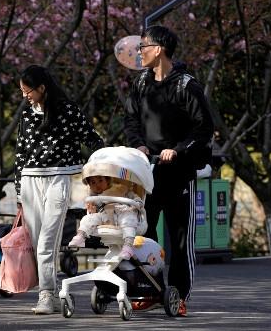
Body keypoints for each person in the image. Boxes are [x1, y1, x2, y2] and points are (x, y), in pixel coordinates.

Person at [123, 25, 214, 316]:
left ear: (159, 48)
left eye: (143, 47)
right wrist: (138, 145)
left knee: (179, 240)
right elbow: (131, 120)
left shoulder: (187, 85)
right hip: (147, 174)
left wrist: (178, 149)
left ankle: (178, 294)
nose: (140, 52)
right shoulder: (140, 84)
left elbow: (204, 129)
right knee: (143, 235)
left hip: (180, 174)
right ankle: (150, 289)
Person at [14, 65, 104, 315]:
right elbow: (20, 155)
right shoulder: (27, 115)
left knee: (46, 241)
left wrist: (100, 167)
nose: (25, 96)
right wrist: (19, 193)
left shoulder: (68, 111)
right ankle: (51, 295)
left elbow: (92, 139)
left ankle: (45, 295)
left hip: (60, 179)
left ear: (42, 88)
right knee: (36, 242)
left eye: (27, 91)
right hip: (30, 180)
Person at [67, 175, 146, 259]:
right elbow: (96, 213)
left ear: (108, 180)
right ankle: (80, 236)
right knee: (88, 218)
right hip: (106, 218)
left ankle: (128, 246)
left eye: (100, 181)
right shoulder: (96, 198)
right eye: (93, 182)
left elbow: (137, 200)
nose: (97, 185)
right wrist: (93, 211)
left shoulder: (122, 189)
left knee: (128, 218)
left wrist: (135, 205)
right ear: (89, 185)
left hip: (123, 213)